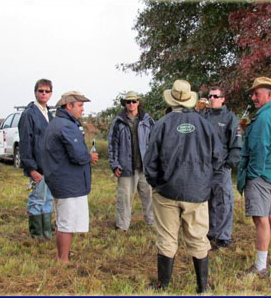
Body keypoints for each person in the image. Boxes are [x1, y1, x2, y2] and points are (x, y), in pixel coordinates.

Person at [144, 79, 222, 293]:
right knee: (198, 238)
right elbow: (218, 160)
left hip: (166, 192)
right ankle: (202, 287)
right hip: (197, 192)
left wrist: (156, 184)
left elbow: (149, 162)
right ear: (190, 100)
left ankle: (162, 286)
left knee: (167, 238)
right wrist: (205, 184)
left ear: (172, 100)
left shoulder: (161, 124)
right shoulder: (207, 126)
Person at [237, 77, 271, 277]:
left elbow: (259, 149)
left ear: (270, 94)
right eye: (253, 94)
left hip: (260, 177)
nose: (253, 97)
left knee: (261, 221)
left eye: (257, 94)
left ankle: (260, 267)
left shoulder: (264, 117)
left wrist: (252, 174)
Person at [42, 91, 99, 264]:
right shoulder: (66, 126)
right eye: (80, 105)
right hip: (68, 182)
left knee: (65, 220)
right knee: (66, 222)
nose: (82, 109)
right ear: (69, 106)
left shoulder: (57, 123)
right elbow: (78, 155)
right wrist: (90, 157)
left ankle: (61, 255)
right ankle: (63, 260)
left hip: (62, 179)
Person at [198, 86, 243, 249]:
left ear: (223, 99)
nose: (212, 99)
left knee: (223, 201)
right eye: (210, 96)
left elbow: (236, 144)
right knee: (206, 201)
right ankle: (209, 232)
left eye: (216, 96)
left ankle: (223, 236)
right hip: (203, 167)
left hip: (221, 167)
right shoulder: (202, 116)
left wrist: (229, 163)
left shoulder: (230, 118)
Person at [107, 91, 154, 232]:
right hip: (126, 167)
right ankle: (122, 225)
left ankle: (152, 222)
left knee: (150, 197)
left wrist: (154, 164)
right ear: (125, 104)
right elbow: (112, 145)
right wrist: (114, 165)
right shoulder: (118, 121)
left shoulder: (148, 120)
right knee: (124, 198)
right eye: (128, 102)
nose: (131, 104)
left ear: (138, 102)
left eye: (134, 101)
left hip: (145, 167)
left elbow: (155, 143)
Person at [18, 78, 54, 240]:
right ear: (35, 92)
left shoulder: (50, 114)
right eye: (41, 91)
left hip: (50, 167)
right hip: (36, 167)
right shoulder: (29, 114)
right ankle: (36, 235)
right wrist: (31, 168)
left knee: (47, 200)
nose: (44, 94)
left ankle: (47, 233)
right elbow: (25, 144)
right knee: (36, 200)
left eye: (47, 91)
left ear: (51, 93)